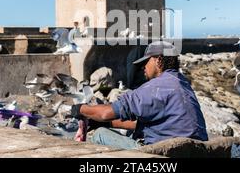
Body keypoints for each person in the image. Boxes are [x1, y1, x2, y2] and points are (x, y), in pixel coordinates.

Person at [71, 41, 208, 150]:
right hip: (193, 148)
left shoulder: (155, 87)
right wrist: (106, 123)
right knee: (128, 132)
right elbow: (145, 124)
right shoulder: (182, 83)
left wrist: (81, 109)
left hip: (162, 152)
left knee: (100, 134)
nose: (143, 67)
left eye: (145, 62)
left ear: (158, 61)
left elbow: (106, 113)